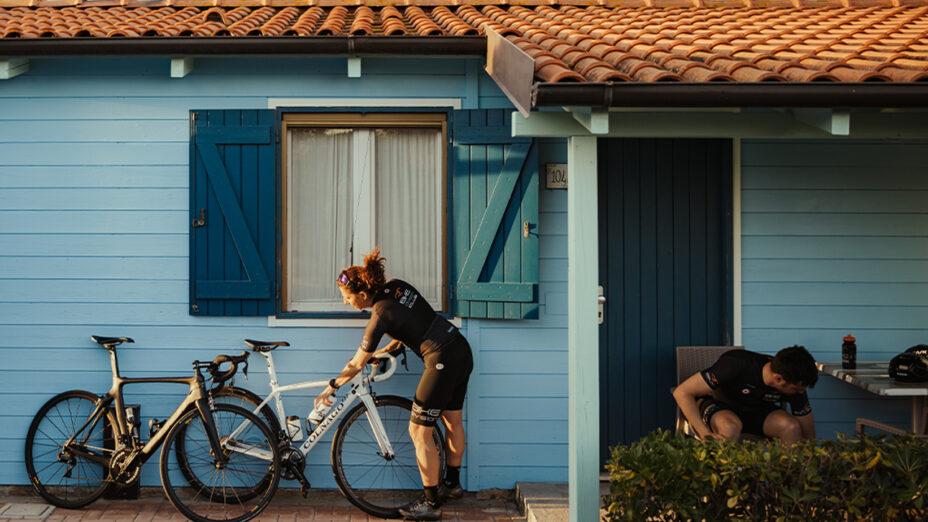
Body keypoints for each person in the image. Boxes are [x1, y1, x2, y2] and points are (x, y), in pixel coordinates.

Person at [315, 248, 473, 521]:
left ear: (363, 294)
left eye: (348, 298)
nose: (347, 303)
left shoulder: (379, 314)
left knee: (419, 431)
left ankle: (430, 503)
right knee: (452, 422)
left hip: (441, 360)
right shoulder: (396, 288)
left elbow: (356, 364)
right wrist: (390, 350)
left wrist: (332, 386)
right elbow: (415, 324)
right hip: (460, 349)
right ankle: (453, 485)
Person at [673, 346, 818, 444]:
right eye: (796, 390)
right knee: (730, 427)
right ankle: (724, 485)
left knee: (791, 427)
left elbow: (809, 437)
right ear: (778, 379)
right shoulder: (735, 364)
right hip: (721, 405)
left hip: (757, 411)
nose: (800, 393)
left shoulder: (795, 382)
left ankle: (785, 485)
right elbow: (682, 392)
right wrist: (704, 433)